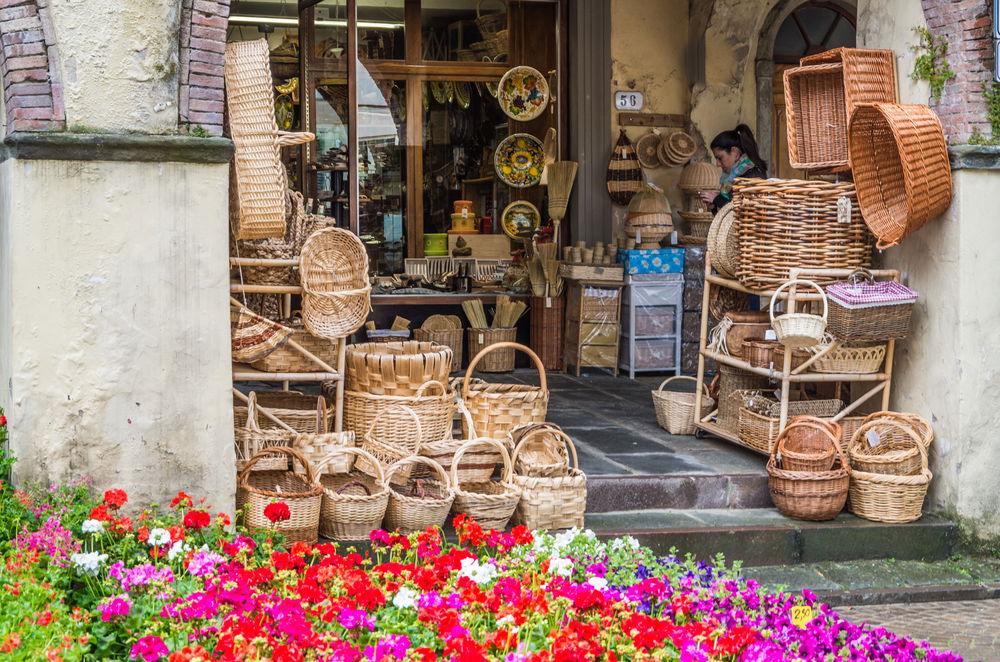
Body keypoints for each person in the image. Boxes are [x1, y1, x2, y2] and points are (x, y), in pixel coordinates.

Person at [698, 124, 768, 213]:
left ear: (734, 152)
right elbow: (727, 221)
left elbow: (746, 213)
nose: (717, 164)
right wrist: (713, 206)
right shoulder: (731, 179)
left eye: (720, 158)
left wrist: (717, 199)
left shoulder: (753, 176)